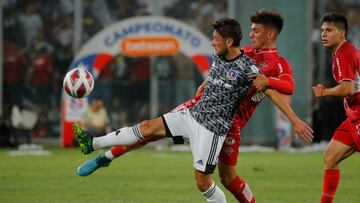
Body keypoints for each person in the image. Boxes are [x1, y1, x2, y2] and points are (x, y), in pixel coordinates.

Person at [74, 17, 313, 203]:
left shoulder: (265, 65)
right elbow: (221, 68)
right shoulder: (238, 51)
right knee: (149, 129)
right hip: (196, 110)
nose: (251, 34)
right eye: (250, 30)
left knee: (221, 179)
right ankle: (99, 150)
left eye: (256, 30)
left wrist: (291, 115)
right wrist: (205, 84)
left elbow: (285, 88)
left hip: (223, 125)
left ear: (270, 34)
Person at [312, 12, 360, 203]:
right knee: (330, 158)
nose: (324, 34)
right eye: (322, 30)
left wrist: (325, 92)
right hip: (354, 116)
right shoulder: (345, 51)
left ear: (341, 34)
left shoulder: (344, 54)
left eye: (329, 30)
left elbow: (348, 88)